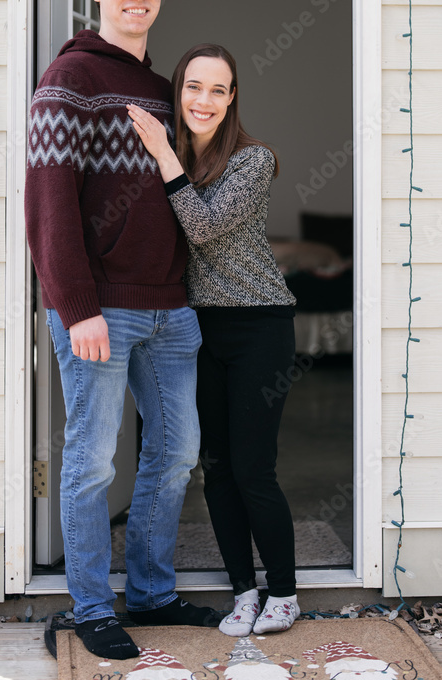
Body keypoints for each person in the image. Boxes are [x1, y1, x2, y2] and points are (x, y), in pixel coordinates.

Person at [24, 0, 219, 662]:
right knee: (93, 461)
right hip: (100, 307)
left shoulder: (163, 88)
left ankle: (151, 591)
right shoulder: (68, 78)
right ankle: (91, 606)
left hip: (170, 306)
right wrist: (76, 308)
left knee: (175, 454)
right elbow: (47, 205)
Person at [127, 43, 300, 638]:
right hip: (200, 328)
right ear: (178, 93)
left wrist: (161, 155)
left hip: (260, 326)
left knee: (255, 469)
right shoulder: (173, 158)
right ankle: (244, 592)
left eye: (218, 90)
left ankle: (284, 592)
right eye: (193, 87)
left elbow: (200, 229)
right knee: (217, 468)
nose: (204, 100)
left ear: (231, 100)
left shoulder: (252, 160)